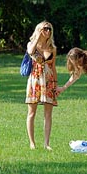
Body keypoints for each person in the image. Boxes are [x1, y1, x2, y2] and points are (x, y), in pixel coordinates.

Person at [25, 21, 58, 150]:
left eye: (50, 29)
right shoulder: (31, 44)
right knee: (31, 113)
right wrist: (38, 37)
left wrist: (55, 84)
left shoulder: (52, 48)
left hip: (48, 81)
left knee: (48, 114)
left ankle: (46, 143)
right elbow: (30, 51)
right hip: (35, 80)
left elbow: (53, 67)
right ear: (39, 30)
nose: (48, 31)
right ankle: (32, 142)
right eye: (45, 29)